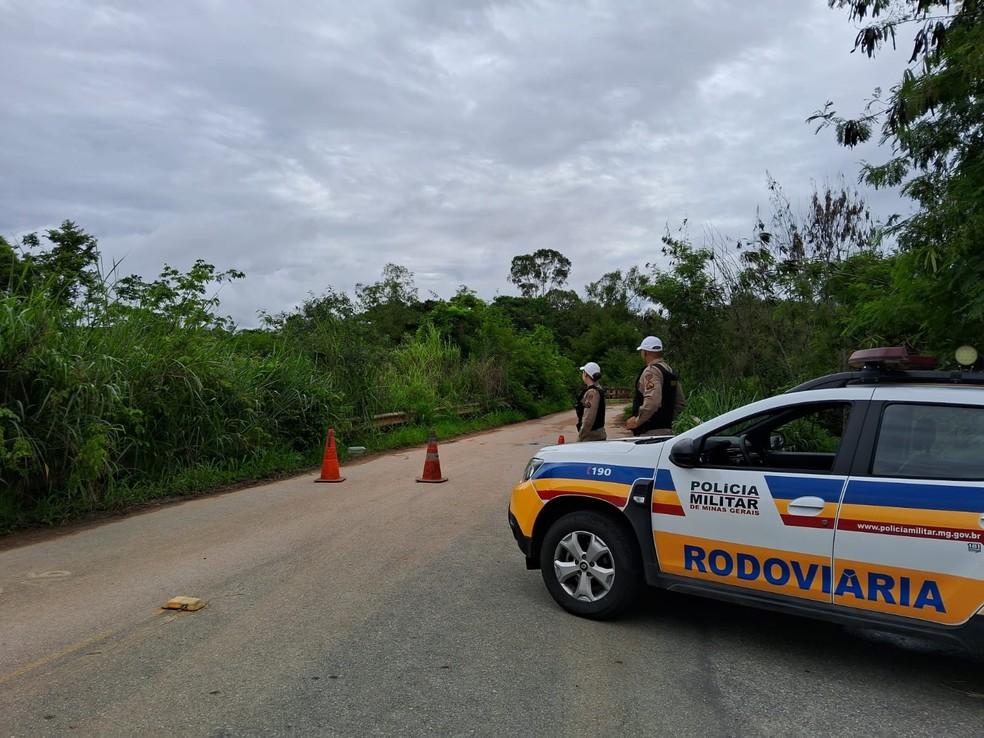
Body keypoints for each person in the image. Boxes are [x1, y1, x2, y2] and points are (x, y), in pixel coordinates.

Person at [625, 336, 685, 436]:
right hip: (667, 431)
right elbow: (680, 403)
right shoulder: (669, 370)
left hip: (650, 432)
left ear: (645, 353)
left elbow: (652, 402)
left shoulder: (651, 371)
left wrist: (637, 421)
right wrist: (666, 419)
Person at [575, 361, 607, 442]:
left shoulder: (592, 392)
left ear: (586, 374)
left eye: (583, 372)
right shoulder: (598, 388)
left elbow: (588, 419)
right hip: (596, 436)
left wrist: (581, 437)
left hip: (591, 437)